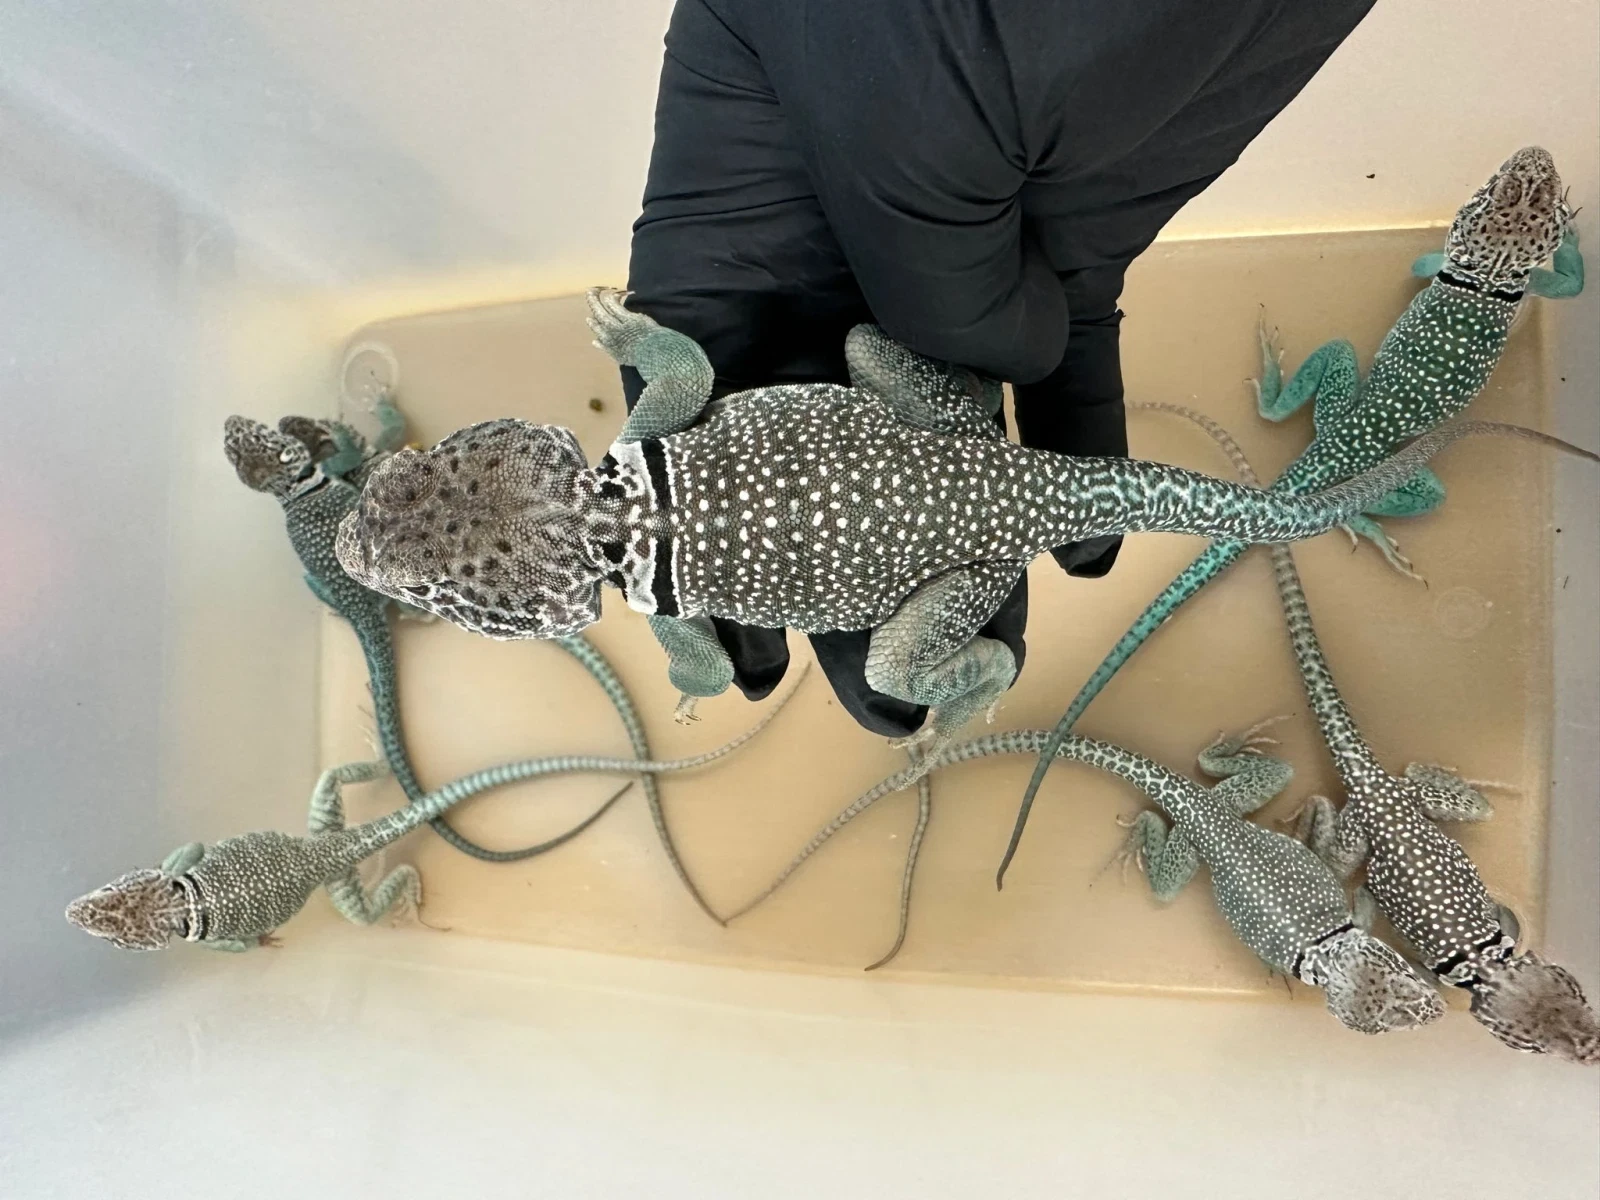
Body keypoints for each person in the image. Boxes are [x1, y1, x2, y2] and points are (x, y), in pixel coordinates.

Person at [620, 0, 1376, 739]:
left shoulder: (659, 587)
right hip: (952, 442)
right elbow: (681, 371)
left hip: (975, 529)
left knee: (893, 674)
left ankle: (988, 675)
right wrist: (632, 337)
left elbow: (706, 671)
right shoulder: (644, 451)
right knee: (866, 345)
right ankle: (969, 390)